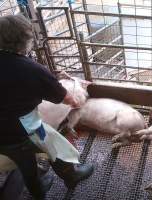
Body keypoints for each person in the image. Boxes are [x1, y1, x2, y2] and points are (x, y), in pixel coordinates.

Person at [0, 14, 94, 199]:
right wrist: (74, 95)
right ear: (26, 40)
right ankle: (45, 187)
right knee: (50, 142)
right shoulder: (32, 69)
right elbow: (67, 99)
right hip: (17, 132)